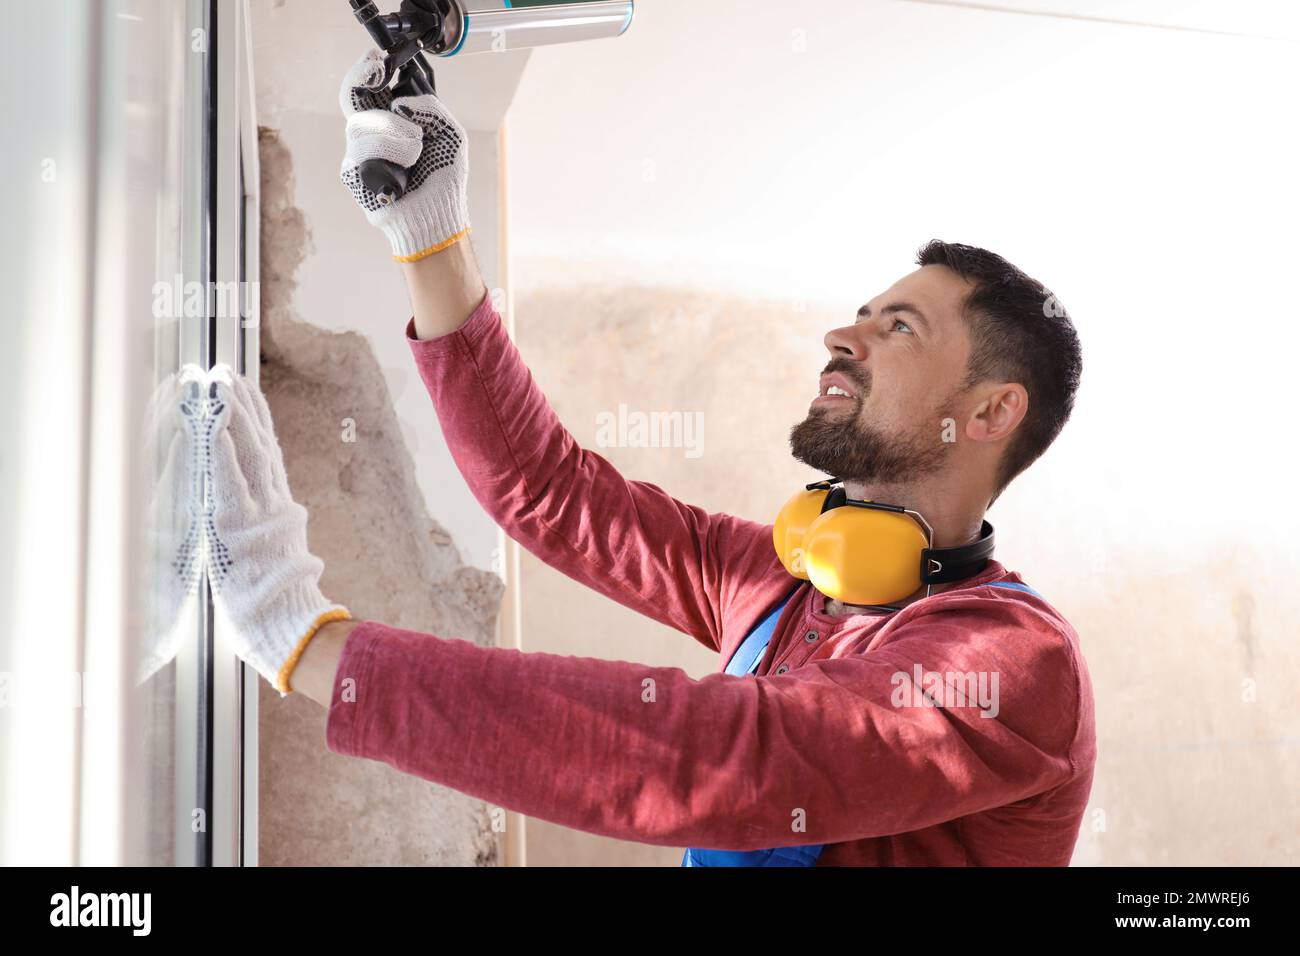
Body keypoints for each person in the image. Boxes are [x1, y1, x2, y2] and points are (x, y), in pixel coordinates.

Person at [169, 50, 1095, 866]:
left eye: (899, 326)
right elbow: (550, 493)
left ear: (990, 412)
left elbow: (727, 758)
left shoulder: (1014, 665)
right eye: (862, 311)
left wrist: (309, 642)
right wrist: (431, 237)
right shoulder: (790, 578)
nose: (841, 335)